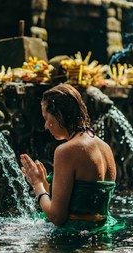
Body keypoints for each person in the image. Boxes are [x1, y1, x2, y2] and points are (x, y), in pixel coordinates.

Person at [20, 83, 123, 233]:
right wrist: (44, 183)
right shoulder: (105, 147)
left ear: (59, 116)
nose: (45, 126)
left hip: (74, 239)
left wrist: (37, 185)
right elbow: (82, 203)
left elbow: (57, 217)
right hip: (102, 233)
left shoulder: (66, 151)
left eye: (46, 118)